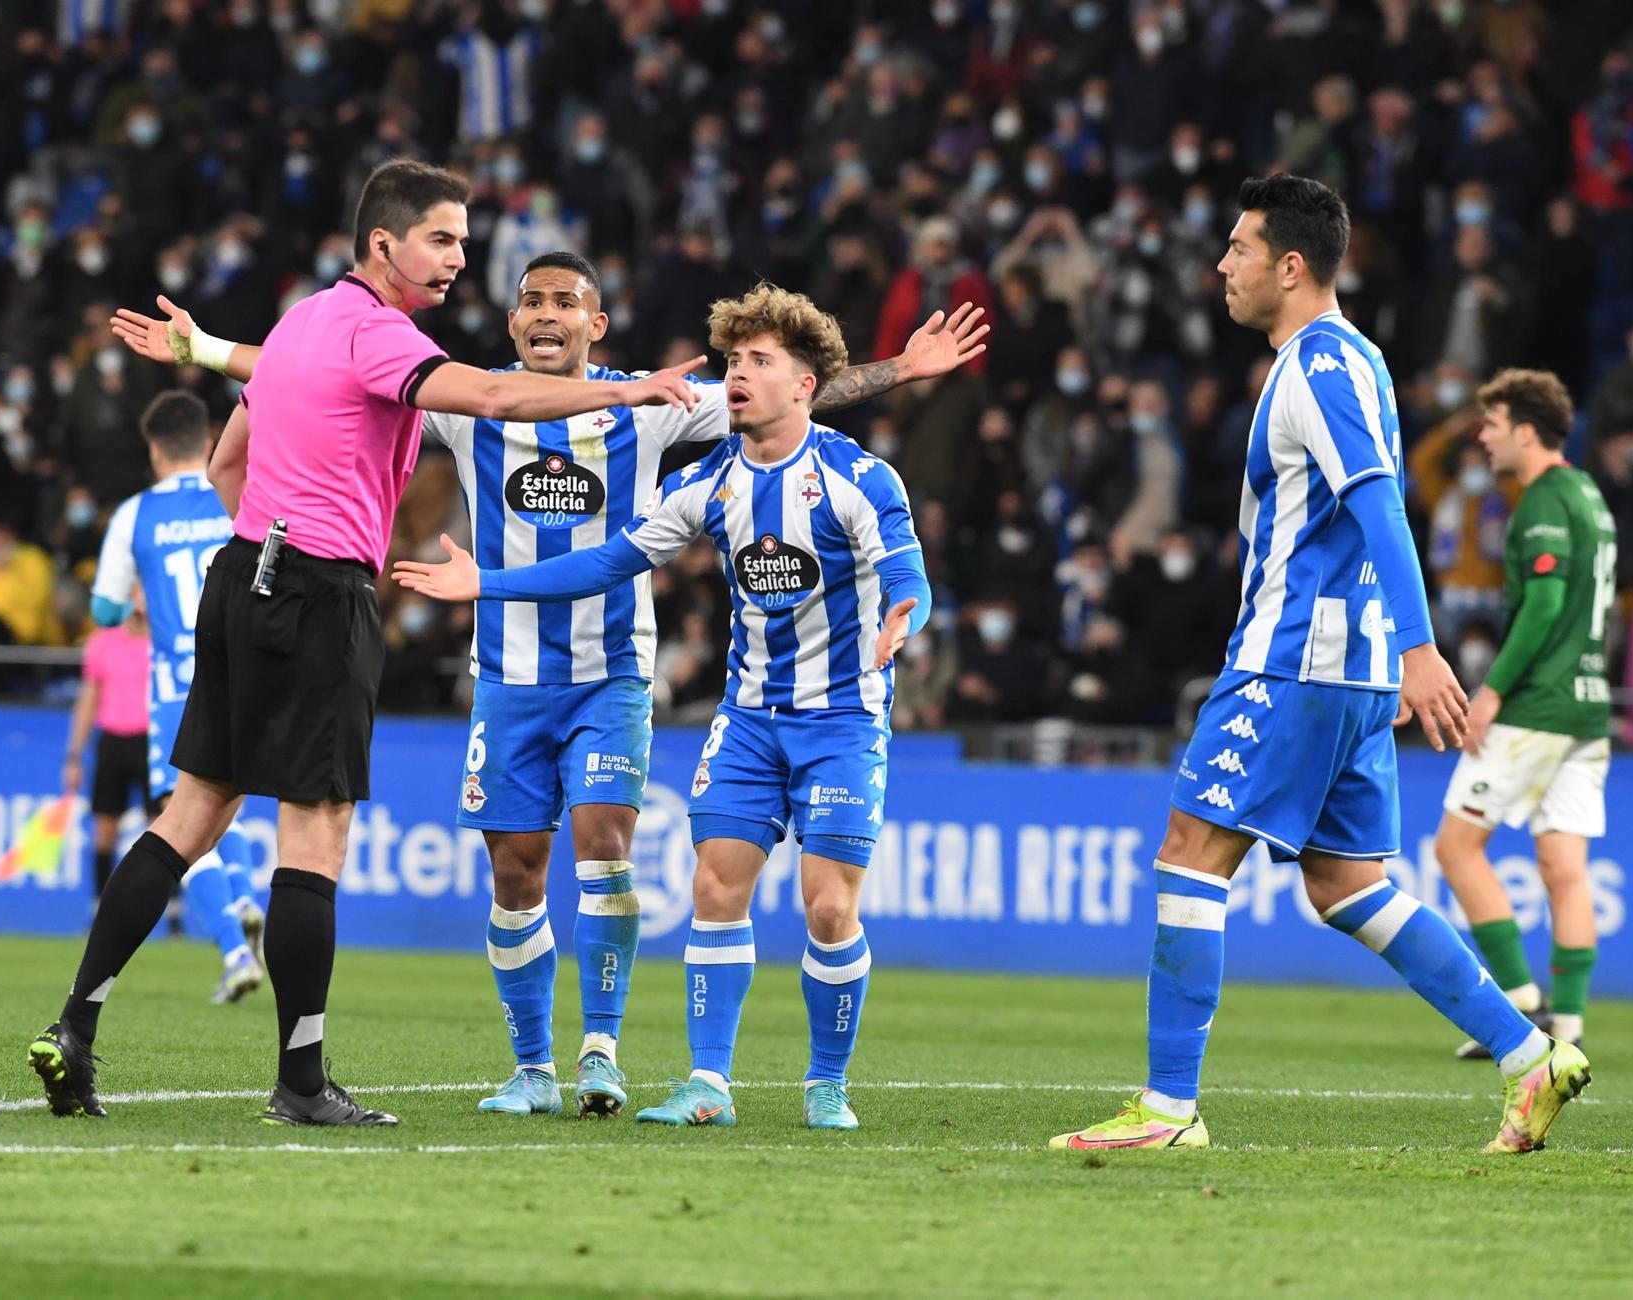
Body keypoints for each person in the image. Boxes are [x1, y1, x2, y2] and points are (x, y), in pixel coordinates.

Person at [115, 257, 985, 1117]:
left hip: (611, 674)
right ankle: (533, 1068)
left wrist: (901, 371)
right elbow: (315, 368)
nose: (545, 313)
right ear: (512, 321)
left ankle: (600, 1052)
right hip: (508, 679)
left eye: (565, 302)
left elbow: (790, 395)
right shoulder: (469, 405)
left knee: (604, 845)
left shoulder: (647, 403)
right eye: (530, 299)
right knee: (516, 873)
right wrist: (203, 349)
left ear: (593, 325)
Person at [25, 158, 706, 1128]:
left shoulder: (302, 323)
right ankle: (300, 1080)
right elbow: (500, 399)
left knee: (190, 814)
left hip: (239, 576)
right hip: (322, 590)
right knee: (316, 833)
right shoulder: (385, 339)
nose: (458, 260)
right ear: (383, 244)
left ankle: (74, 1027)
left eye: (465, 243)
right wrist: (631, 390)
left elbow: (229, 456)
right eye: (442, 240)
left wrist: (208, 361)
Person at [1047, 176, 1590, 1156]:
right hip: (1348, 667)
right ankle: (1528, 1056)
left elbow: (1380, 505)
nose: (1221, 265)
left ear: (1287, 266)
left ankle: (1167, 1108)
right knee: (1345, 884)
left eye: (1237, 248)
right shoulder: (1350, 361)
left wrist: (1421, 650)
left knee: (1186, 852)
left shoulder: (1318, 367)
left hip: (1292, 660)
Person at [398, 284, 933, 1131]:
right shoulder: (711, 481)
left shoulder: (858, 476)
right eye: (732, 363)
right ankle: (707, 1084)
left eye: (758, 363)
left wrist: (906, 610)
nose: (737, 377)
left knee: (829, 907)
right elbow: (609, 561)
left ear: (803, 385)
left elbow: (904, 568)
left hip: (840, 719)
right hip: (750, 718)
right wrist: (486, 584)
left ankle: (826, 1082)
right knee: (716, 888)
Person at [1433, 369, 1614, 1059]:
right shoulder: (1589, 495)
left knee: (1456, 846)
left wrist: (1493, 690)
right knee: (1564, 867)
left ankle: (1518, 1004)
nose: (1482, 436)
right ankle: (1566, 1028)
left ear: (1527, 432)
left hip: (1538, 704)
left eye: (1493, 424)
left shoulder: (1541, 500)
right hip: (1589, 707)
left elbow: (1542, 605)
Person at [90, 391, 267, 1006]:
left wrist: (137, 599)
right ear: (208, 438)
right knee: (227, 799)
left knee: (180, 818)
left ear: (154, 448)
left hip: (177, 687)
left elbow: (104, 609)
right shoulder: (240, 496)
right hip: (241, 674)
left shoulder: (135, 514)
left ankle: (234, 949)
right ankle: (244, 896)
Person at [63, 584, 156, 903]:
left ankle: (171, 910)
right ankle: (99, 904)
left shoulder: (164, 641)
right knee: (104, 829)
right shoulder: (102, 643)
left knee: (162, 828)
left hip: (151, 742)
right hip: (113, 740)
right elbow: (88, 700)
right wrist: (74, 755)